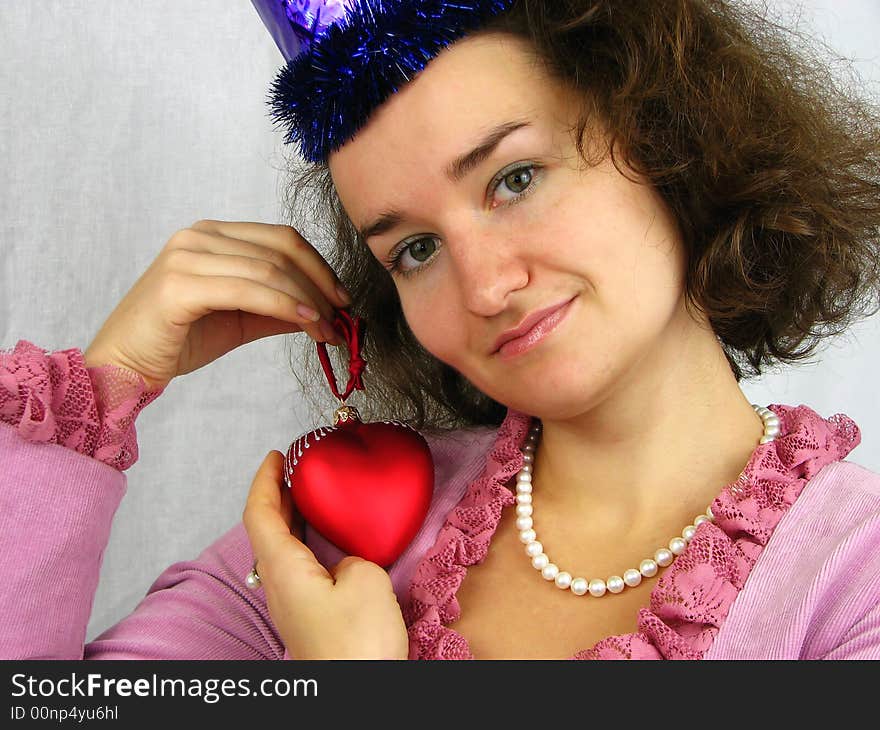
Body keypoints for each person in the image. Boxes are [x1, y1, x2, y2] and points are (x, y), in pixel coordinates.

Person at [2, 0, 880, 660]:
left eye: (514, 178)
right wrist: (107, 384)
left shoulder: (853, 581)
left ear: (666, 132)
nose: (488, 286)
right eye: (416, 248)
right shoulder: (333, 545)